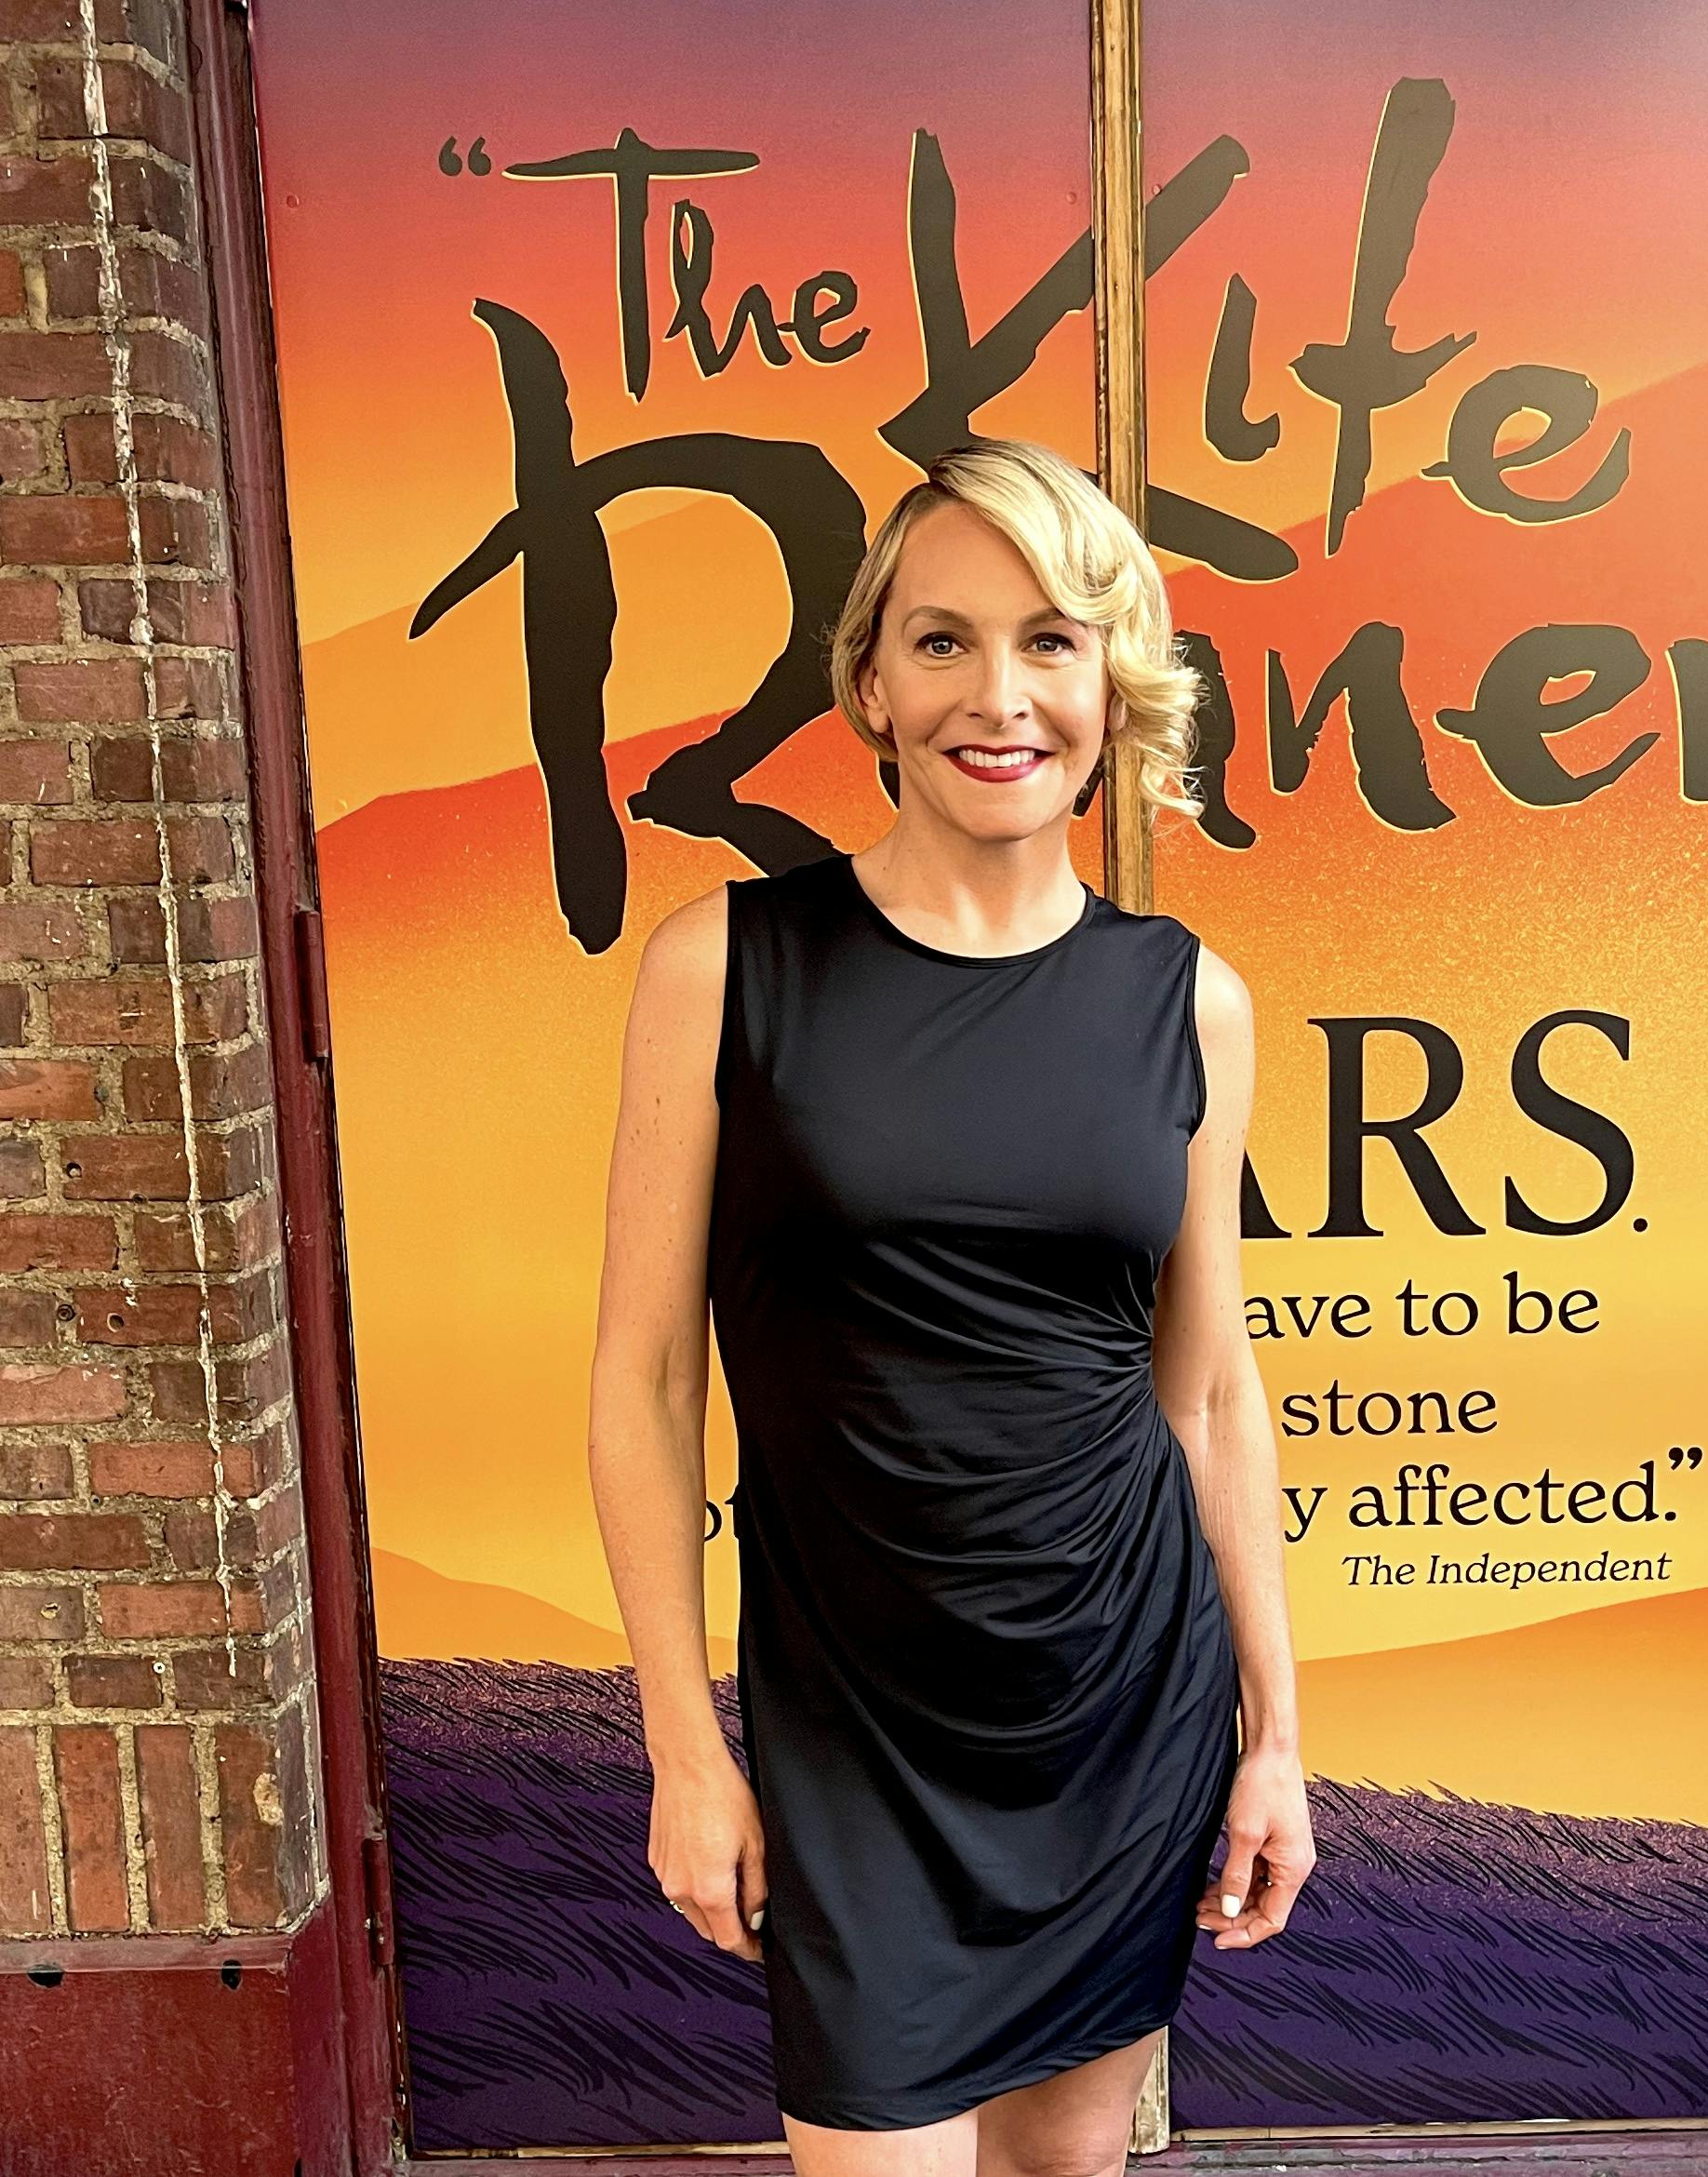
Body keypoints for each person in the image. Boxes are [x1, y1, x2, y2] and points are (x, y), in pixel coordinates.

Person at [588, 437, 1313, 2174]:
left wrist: (1279, 1738)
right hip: (852, 1735)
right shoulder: (725, 968)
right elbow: (646, 1383)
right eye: (943, 641)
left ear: (1111, 681)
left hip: (1119, 1712)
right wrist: (684, 1745)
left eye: (1052, 640)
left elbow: (1210, 1395)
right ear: (871, 682)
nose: (1001, 696)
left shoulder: (1189, 1002)